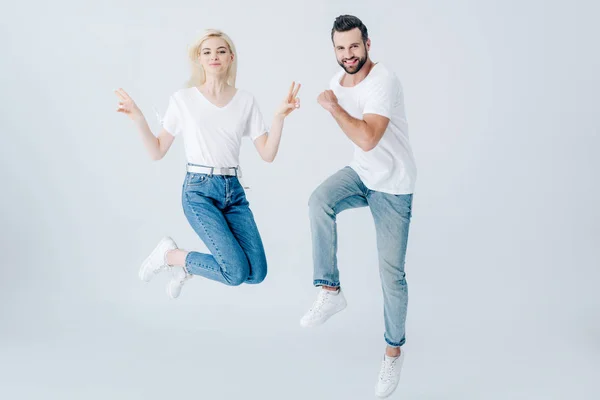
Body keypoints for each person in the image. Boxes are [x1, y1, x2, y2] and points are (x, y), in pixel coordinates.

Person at [115, 29, 301, 299]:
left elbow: (267, 154)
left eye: (221, 51)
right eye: (207, 52)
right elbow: (157, 151)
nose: (214, 56)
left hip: (233, 192)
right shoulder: (184, 99)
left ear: (231, 57)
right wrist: (138, 117)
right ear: (199, 60)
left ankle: (184, 266)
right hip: (199, 192)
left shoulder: (245, 100)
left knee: (256, 273)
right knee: (235, 273)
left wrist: (279, 117)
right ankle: (170, 256)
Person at [299, 15, 417, 398]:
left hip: (393, 186)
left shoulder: (384, 81)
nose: (348, 54)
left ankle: (392, 351)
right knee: (320, 200)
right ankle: (330, 290)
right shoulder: (338, 82)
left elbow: (366, 137)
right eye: (340, 48)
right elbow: (360, 144)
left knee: (391, 276)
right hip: (361, 175)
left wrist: (333, 109)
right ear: (333, 49)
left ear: (368, 43)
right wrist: (334, 105)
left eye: (353, 46)